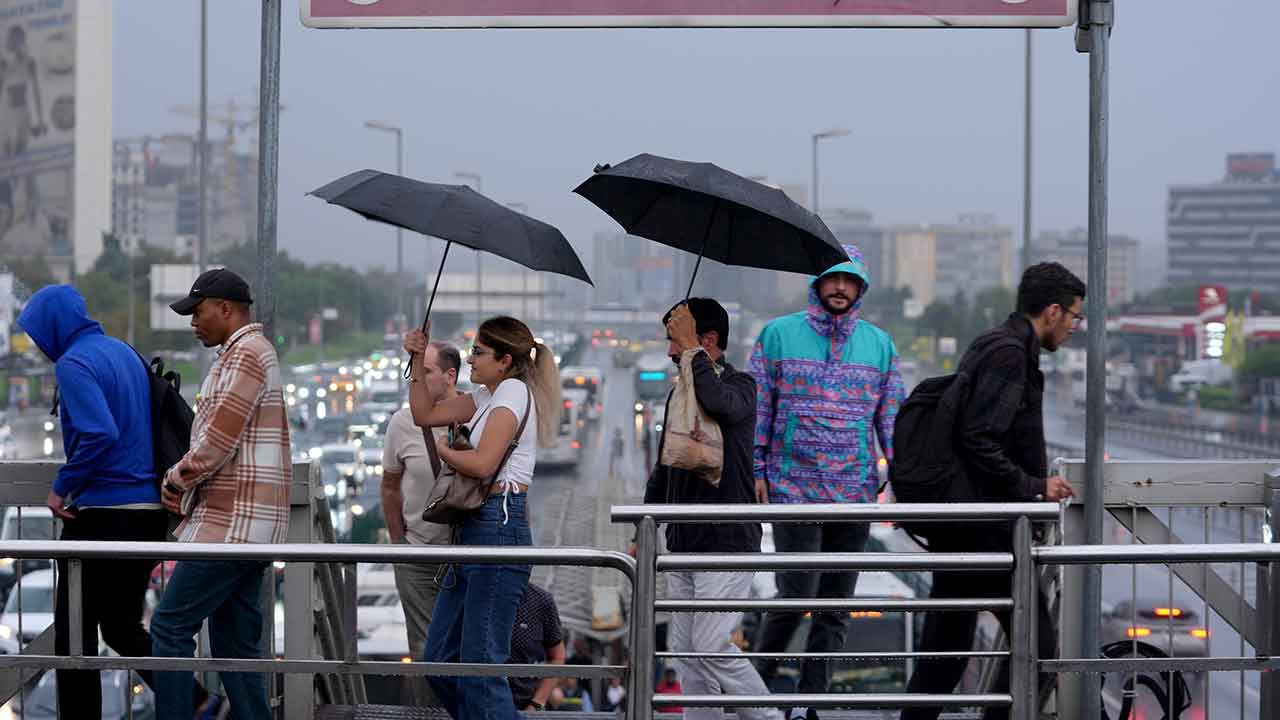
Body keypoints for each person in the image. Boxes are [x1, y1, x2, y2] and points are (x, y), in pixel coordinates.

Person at [901, 262, 1083, 720]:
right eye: (1075, 317)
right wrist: (1035, 486)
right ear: (1053, 311)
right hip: (979, 529)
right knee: (1038, 649)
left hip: (966, 524)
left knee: (944, 656)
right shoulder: (1009, 354)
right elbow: (980, 437)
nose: (1075, 328)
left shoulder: (996, 343)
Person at [749, 245, 904, 717]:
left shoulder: (880, 345)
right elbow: (760, 408)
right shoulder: (777, 335)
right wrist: (757, 467)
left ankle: (812, 701)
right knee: (795, 597)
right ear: (817, 284)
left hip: (855, 492)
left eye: (849, 280)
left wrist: (897, 472)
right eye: (831, 279)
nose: (840, 288)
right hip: (793, 487)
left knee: (836, 607)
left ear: (860, 288)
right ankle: (752, 691)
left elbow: (892, 418)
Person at [16, 285, 169, 718]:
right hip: (146, 513)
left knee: (73, 637)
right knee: (121, 627)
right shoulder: (124, 352)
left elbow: (100, 432)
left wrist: (62, 484)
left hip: (104, 516)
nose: (38, 344)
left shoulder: (74, 363)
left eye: (37, 333)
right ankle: (197, 700)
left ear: (53, 326)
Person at [404, 314, 561, 720]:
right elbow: (423, 414)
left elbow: (483, 463)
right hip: (472, 528)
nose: (471, 359)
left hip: (499, 523)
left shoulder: (511, 391)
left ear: (505, 361)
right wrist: (417, 362)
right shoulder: (486, 397)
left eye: (479, 352)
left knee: (480, 665)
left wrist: (445, 452)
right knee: (440, 661)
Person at [150, 268, 292, 720]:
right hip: (248, 526)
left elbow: (215, 442)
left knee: (169, 626)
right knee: (237, 644)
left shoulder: (246, 355)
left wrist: (175, 480)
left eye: (198, 311)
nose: (193, 322)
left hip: (231, 524)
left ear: (226, 308)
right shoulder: (246, 353)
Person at [641, 298, 779, 720]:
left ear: (709, 341)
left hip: (727, 542)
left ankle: (771, 717)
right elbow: (666, 467)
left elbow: (719, 403)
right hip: (684, 543)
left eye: (675, 340)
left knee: (709, 643)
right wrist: (644, 526)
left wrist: (691, 352)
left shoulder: (742, 386)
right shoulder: (678, 393)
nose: (668, 351)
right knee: (686, 653)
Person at [381, 340, 461, 706]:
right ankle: (430, 714)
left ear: (450, 375)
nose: (416, 377)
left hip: (467, 554)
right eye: (414, 370)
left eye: (425, 371)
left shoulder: (475, 414)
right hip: (417, 555)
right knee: (425, 647)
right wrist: (400, 542)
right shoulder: (402, 422)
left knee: (467, 645)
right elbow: (389, 485)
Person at [508, 582, 566, 712]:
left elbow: (557, 656)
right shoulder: (472, 594)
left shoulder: (541, 601)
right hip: (479, 704)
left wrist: (537, 704)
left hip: (523, 705)